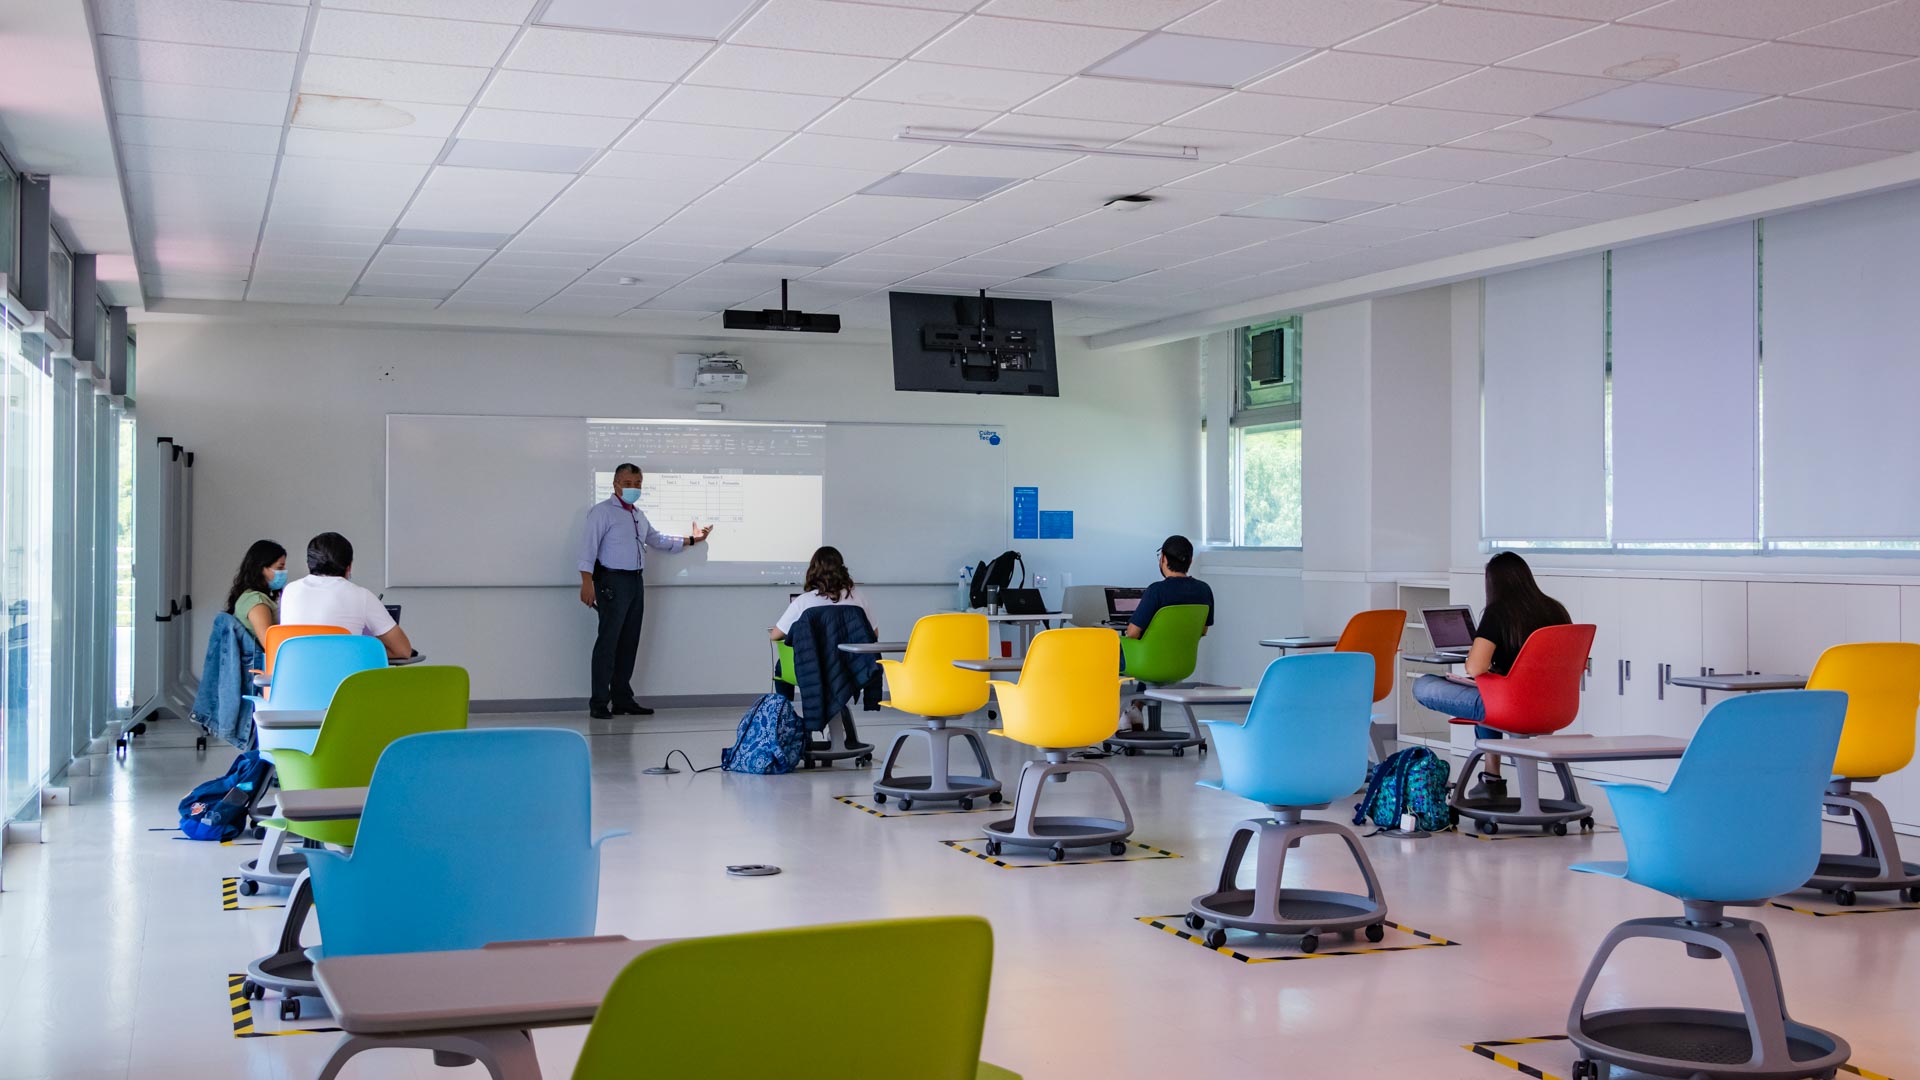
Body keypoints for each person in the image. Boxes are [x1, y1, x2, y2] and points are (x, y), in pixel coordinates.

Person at [1411, 551, 1571, 800]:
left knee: (1424, 685)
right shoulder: (1556, 610)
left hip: (1512, 706)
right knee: (1486, 689)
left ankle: (1492, 780)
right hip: (1554, 707)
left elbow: (1475, 668)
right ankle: (1491, 778)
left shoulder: (1498, 613)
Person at [578, 463, 712, 720]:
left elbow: (658, 539)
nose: (633, 488)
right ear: (616, 484)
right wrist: (587, 582)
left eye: (637, 484)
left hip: (635, 582)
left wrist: (693, 539)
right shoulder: (602, 513)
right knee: (608, 642)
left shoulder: (638, 515)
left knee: (629, 641)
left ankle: (622, 699)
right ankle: (598, 702)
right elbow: (587, 548)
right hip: (611, 582)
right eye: (628, 483)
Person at [279, 531, 415, 661]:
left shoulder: (289, 591)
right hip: (343, 683)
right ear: (349, 567)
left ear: (309, 563)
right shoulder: (361, 596)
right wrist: (356, 650)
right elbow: (402, 650)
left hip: (294, 683)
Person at [771, 546, 873, 641]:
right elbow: (873, 633)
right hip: (852, 660)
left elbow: (775, 636)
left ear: (813, 571)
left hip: (815, 660)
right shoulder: (857, 597)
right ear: (841, 569)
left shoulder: (803, 601)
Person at [1126, 534, 1213, 640]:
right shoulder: (1204, 590)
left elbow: (1132, 633)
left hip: (1151, 654)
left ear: (1163, 558)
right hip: (1184, 656)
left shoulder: (1156, 591)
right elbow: (1203, 630)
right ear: (1190, 561)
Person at [225, 539, 286, 646]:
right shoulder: (256, 602)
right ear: (262, 568)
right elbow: (270, 645)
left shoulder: (251, 597)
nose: (284, 571)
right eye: (280, 567)